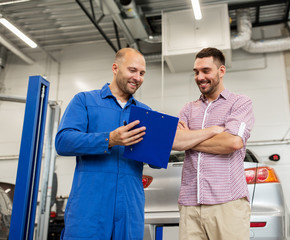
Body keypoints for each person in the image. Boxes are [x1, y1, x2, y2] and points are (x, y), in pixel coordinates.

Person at [55, 48, 151, 240]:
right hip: (90, 207)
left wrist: (168, 140)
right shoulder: (85, 101)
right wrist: (109, 139)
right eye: (132, 70)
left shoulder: (145, 112)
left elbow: (154, 158)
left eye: (142, 73)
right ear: (115, 68)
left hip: (129, 209)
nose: (137, 78)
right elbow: (63, 141)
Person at [172, 47, 255, 240]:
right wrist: (212, 131)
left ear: (221, 71)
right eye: (196, 72)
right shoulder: (188, 109)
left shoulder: (240, 103)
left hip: (227, 203)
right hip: (190, 205)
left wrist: (189, 139)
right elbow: (174, 141)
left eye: (206, 71)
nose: (200, 77)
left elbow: (233, 142)